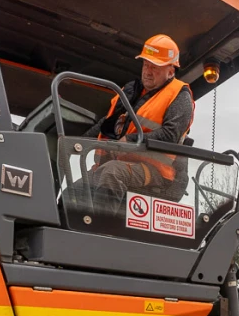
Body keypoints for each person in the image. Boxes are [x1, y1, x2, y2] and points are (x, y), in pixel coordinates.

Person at [81, 34, 194, 211]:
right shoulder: (131, 92)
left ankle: (101, 228)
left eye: (155, 67)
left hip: (159, 174)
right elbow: (109, 123)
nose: (148, 71)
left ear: (171, 72)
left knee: (112, 173)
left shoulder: (180, 96)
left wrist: (131, 140)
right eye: (146, 64)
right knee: (75, 190)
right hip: (120, 163)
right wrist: (78, 140)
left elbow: (170, 135)